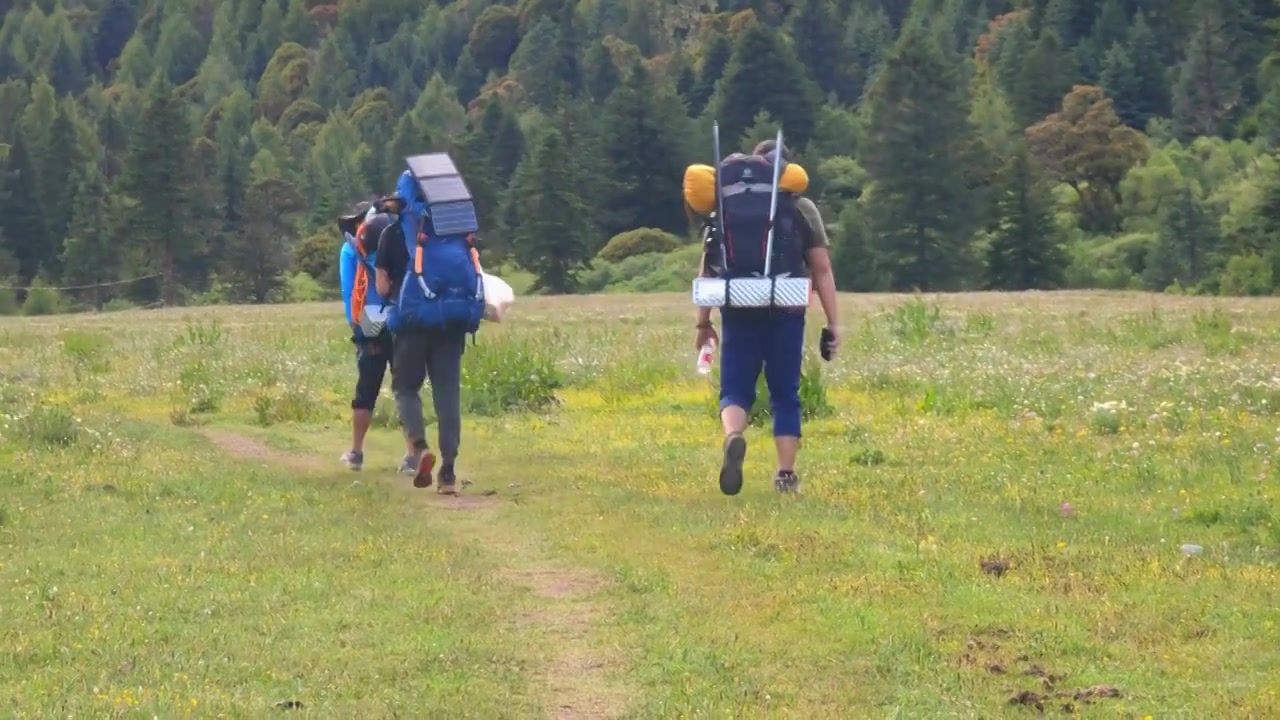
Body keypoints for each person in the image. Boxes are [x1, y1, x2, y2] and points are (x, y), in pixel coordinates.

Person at [687, 139, 841, 495]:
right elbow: (822, 267)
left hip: (737, 307)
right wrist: (833, 323)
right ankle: (785, 475)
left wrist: (703, 322)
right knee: (785, 393)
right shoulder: (801, 207)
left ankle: (734, 436)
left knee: (735, 388)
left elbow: (709, 267)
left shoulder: (728, 208)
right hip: (787, 309)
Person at [375, 167, 486, 495]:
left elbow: (382, 287)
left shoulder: (401, 227)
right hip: (453, 317)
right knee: (447, 392)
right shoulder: (458, 223)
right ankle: (448, 474)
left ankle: (421, 447)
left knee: (406, 388)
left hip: (412, 319)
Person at [337, 200, 414, 471]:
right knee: (404, 386)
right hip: (400, 314)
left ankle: (357, 452)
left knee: (367, 385)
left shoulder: (350, 249)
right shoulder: (397, 237)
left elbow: (349, 290)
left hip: (370, 317)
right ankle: (412, 455)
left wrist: (353, 322)